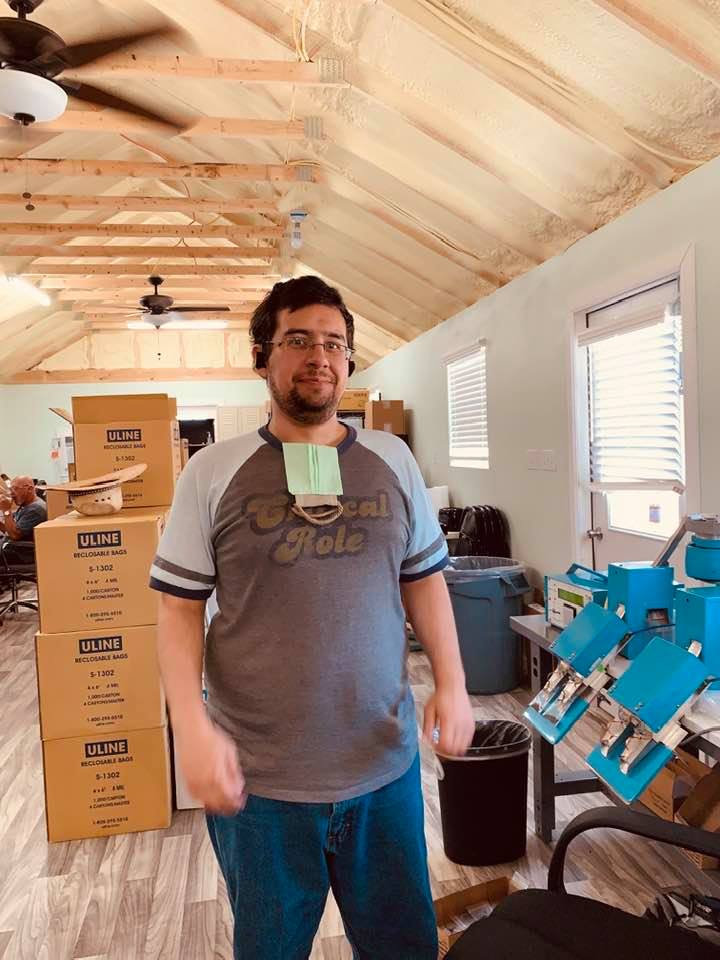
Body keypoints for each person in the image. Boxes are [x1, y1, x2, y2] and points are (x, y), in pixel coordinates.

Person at [149, 276, 475, 960]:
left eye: (334, 343)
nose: (318, 356)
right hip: (261, 784)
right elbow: (178, 611)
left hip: (382, 767)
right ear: (263, 356)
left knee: (402, 947)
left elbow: (424, 581)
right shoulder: (212, 472)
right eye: (297, 340)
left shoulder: (392, 460)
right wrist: (191, 729)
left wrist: (453, 682)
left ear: (349, 361)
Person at [0, 475, 47, 565]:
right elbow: (9, 530)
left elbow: (14, 535)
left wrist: (6, 510)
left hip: (21, 553)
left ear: (29, 489)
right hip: (12, 547)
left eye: (15, 489)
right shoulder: (25, 505)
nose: (12, 493)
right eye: (11, 489)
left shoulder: (36, 509)